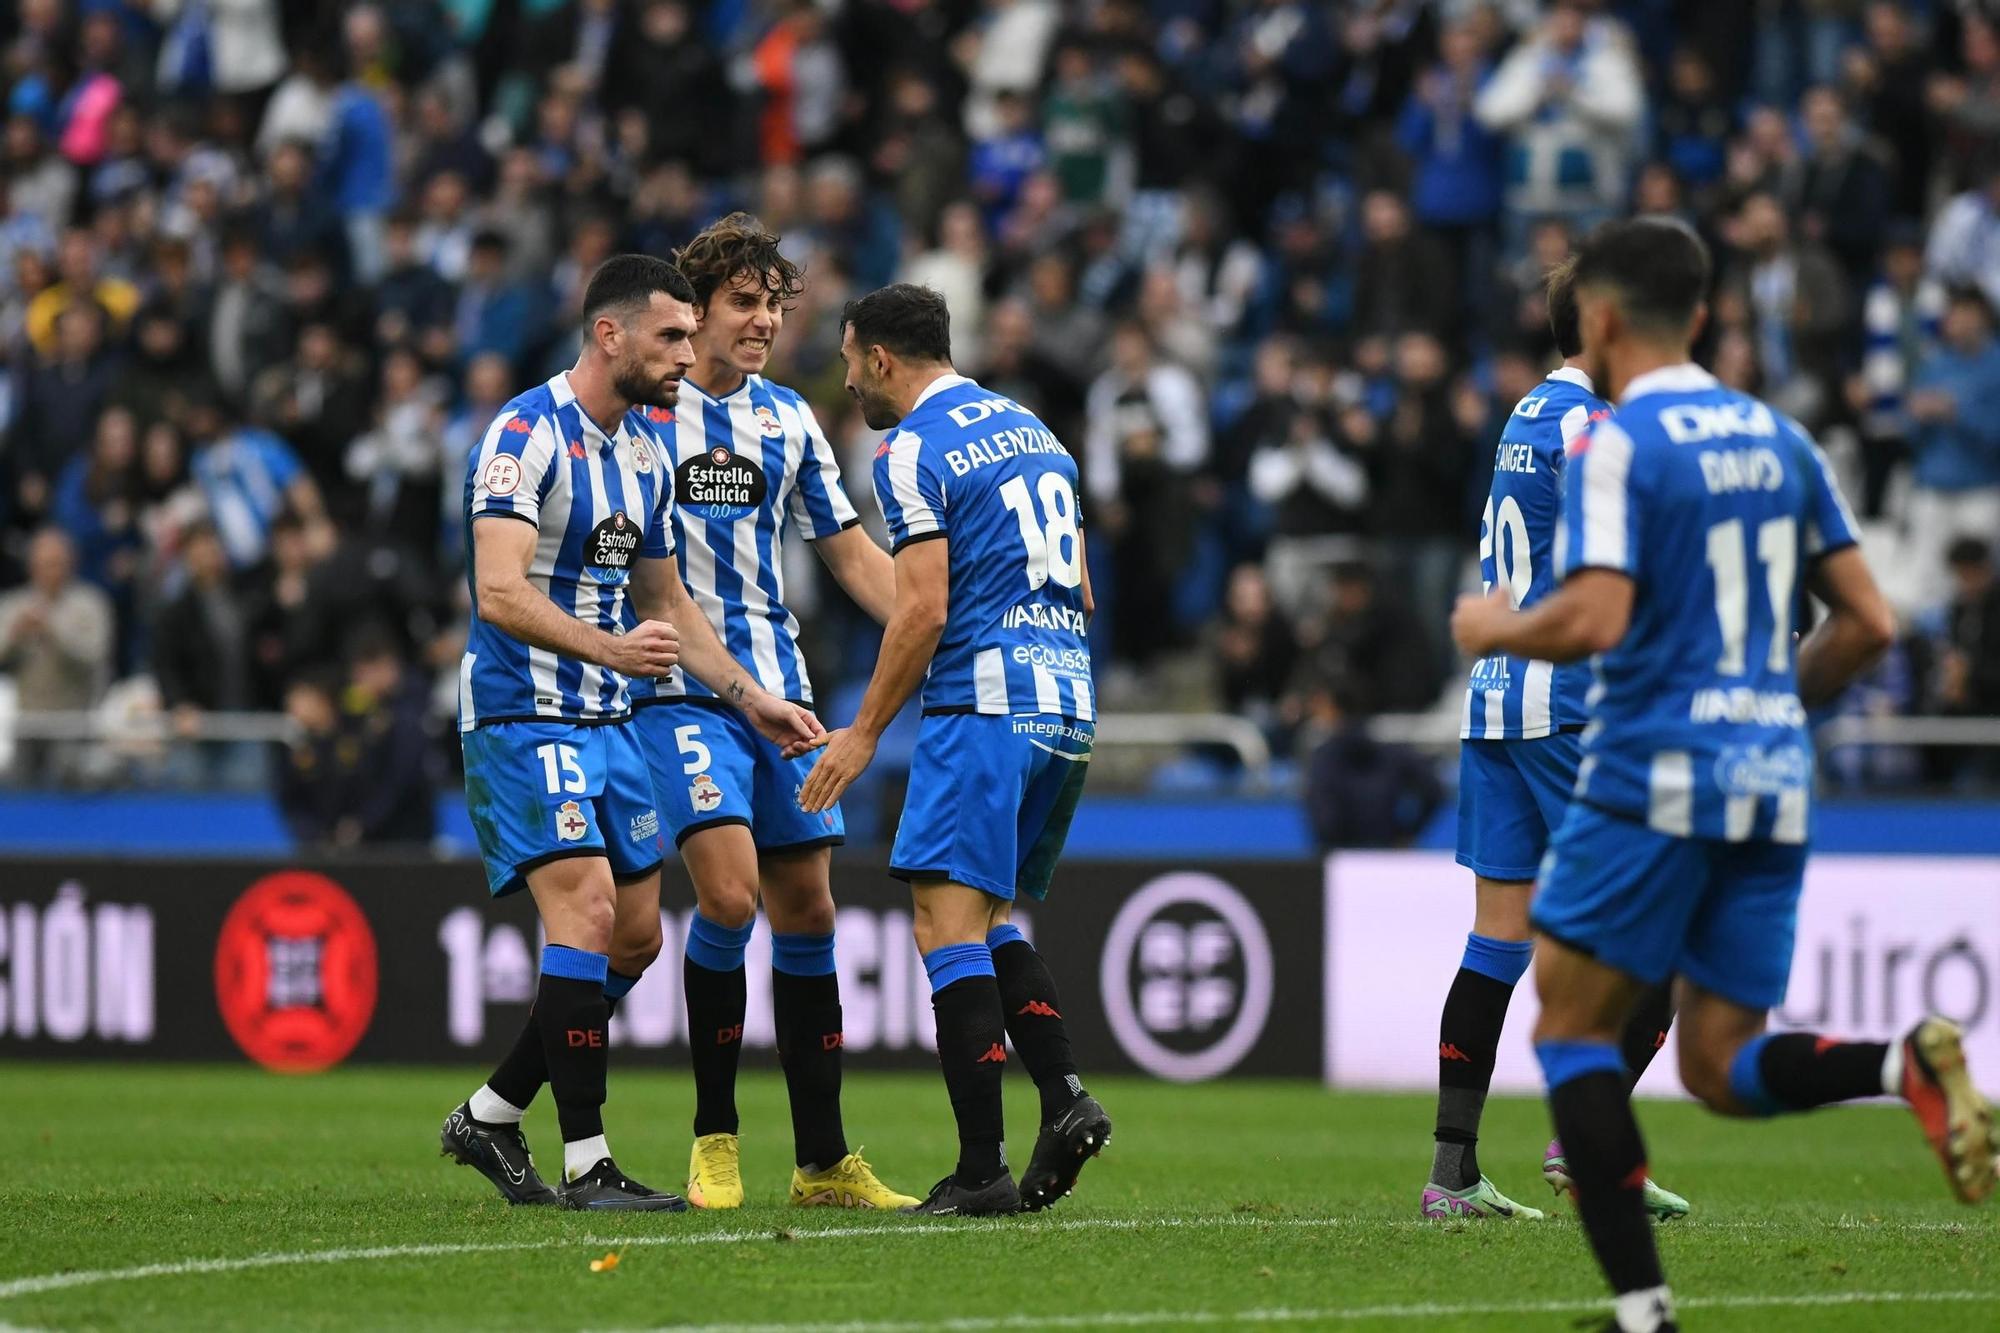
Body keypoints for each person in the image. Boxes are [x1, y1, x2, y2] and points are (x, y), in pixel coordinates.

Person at [1451, 218, 1995, 1333]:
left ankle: (1642, 1311)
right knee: (1713, 1060)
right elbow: (1868, 623)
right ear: (1700, 318)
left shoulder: (1612, 443)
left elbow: (1595, 612)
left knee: (1567, 1028)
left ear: (1597, 320)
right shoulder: (1778, 437)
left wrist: (1490, 626)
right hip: (1769, 770)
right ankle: (1900, 1064)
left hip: (1651, 760)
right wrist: (1767, 704)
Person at [437, 254, 821, 1212]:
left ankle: (490, 1114)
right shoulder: (524, 433)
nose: (689, 355)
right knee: (590, 915)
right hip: (527, 711)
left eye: (692, 336)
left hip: (608, 715)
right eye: (672, 337)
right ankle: (586, 1162)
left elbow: (667, 598)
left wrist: (745, 695)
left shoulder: (644, 450)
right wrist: (607, 647)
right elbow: (497, 589)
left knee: (638, 938)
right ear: (610, 336)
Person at [801, 283, 1111, 1217]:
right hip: (1066, 704)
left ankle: (981, 1170)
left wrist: (863, 732)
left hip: (984, 705)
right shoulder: (1035, 433)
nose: (851, 381)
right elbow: (1084, 591)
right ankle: (1063, 1100)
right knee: (981, 919)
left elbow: (926, 606)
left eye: (852, 361)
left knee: (943, 930)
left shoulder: (910, 453)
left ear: (883, 359)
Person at [631, 212, 914, 1211]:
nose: (761, 322)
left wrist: (934, 624)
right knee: (728, 896)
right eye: (742, 304)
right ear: (695, 308)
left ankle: (823, 1163)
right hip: (680, 690)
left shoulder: (788, 420)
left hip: (781, 691)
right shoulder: (643, 416)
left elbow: (846, 556)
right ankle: (713, 1137)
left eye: (773, 305)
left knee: (810, 908)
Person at [1427, 260, 1686, 1225]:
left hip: (1495, 702)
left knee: (1498, 939)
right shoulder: (1597, 428)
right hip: (1571, 703)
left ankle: (1452, 1172)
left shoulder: (1526, 414)